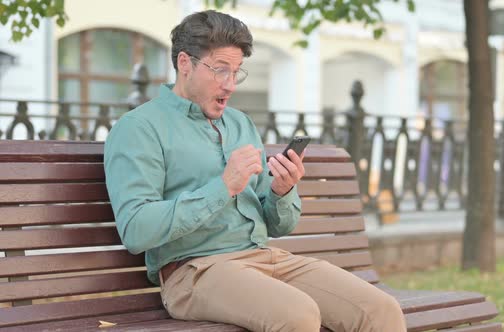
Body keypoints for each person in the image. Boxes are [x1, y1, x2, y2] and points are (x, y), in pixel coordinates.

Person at [104, 9, 406, 332]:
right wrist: (223, 188)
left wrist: (282, 191)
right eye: (221, 71)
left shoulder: (240, 124)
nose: (230, 85)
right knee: (297, 314)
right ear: (184, 64)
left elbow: (279, 225)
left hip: (264, 259)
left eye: (237, 72)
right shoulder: (139, 128)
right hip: (194, 272)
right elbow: (136, 230)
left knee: (380, 311)